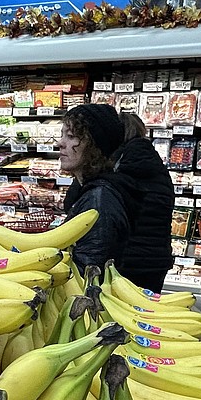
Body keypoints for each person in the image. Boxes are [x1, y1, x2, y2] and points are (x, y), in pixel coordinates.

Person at [59, 103, 132, 279]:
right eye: (62, 135)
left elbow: (87, 273)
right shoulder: (87, 190)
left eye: (71, 136)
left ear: (94, 146)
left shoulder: (99, 201)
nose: (60, 143)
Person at [110, 112, 175, 292]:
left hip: (124, 260)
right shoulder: (160, 170)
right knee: (147, 313)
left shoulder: (115, 167)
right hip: (157, 260)